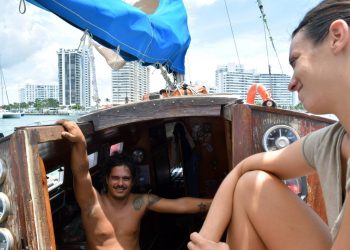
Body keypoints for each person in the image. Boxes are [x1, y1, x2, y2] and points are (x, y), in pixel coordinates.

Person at [187, 0, 350, 249]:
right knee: (252, 186)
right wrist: (204, 241)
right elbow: (243, 169)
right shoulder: (333, 141)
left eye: (295, 61)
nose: (291, 83)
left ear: (337, 37)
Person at [58, 120, 212, 250]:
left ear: (132, 181)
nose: (120, 183)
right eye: (115, 178)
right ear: (107, 179)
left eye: (125, 179)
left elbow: (181, 205)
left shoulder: (141, 202)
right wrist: (81, 144)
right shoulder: (91, 203)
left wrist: (216, 203)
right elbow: (81, 173)